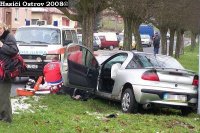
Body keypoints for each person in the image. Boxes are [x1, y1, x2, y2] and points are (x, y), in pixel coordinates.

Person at [0, 23, 19, 123]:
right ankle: (1, 116)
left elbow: (14, 50)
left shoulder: (9, 37)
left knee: (4, 96)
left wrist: (2, 46)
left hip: (7, 71)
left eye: (0, 28)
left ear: (4, 28)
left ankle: (7, 118)